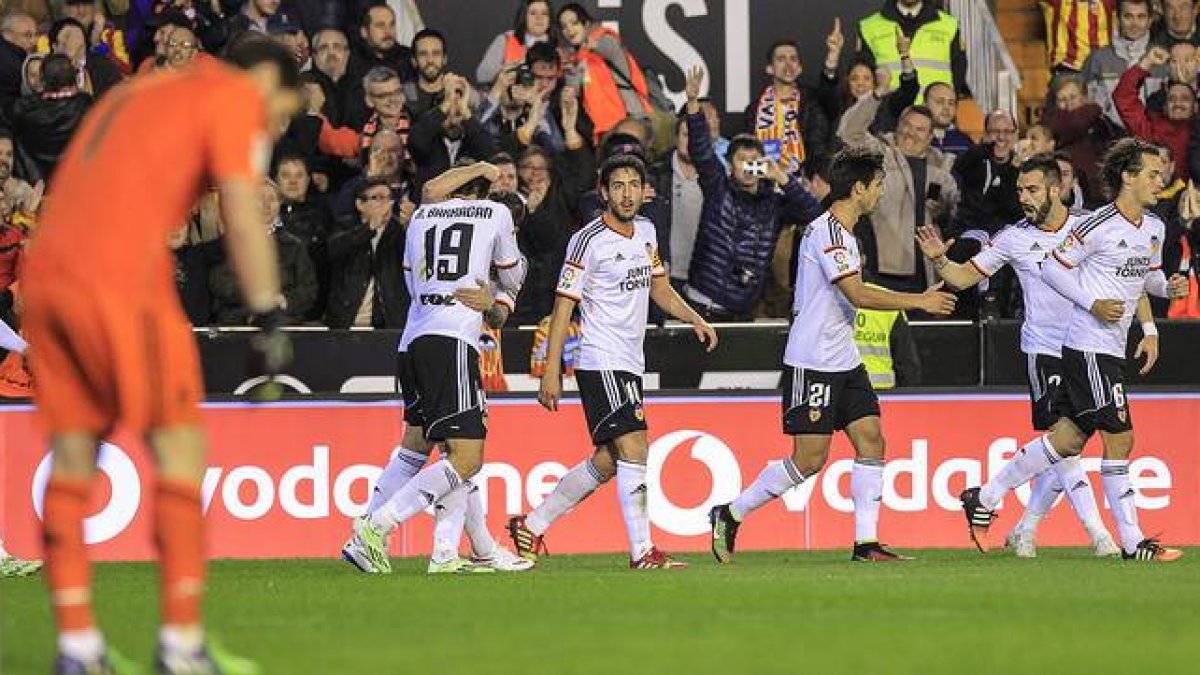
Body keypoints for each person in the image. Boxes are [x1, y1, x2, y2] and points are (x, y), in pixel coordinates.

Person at [21, 36, 301, 673]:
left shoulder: (139, 91)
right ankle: (180, 645)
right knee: (179, 451)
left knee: (71, 460)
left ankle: (78, 646)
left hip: (48, 275)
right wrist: (268, 314)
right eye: (281, 110)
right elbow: (240, 203)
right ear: (262, 77)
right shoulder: (228, 93)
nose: (276, 127)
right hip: (120, 275)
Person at [708, 146, 955, 564]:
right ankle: (731, 513)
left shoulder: (848, 234)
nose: (880, 193)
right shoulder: (827, 232)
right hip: (813, 361)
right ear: (858, 189)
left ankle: (866, 543)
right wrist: (920, 302)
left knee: (872, 439)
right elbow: (856, 294)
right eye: (877, 185)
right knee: (809, 460)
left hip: (845, 359)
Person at [958, 138, 1189, 563]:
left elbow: (1148, 279)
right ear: (1128, 176)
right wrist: (1092, 304)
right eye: (1153, 174)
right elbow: (1050, 267)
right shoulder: (1096, 225)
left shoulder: (1154, 227)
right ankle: (1132, 543)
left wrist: (1169, 288)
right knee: (1121, 439)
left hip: (1112, 346)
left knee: (1066, 440)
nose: (1161, 180)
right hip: (1088, 345)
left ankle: (986, 495)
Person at [505, 154, 717, 569]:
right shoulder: (587, 240)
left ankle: (532, 524)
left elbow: (660, 290)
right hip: (600, 358)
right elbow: (564, 305)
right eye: (617, 185)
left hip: (629, 362)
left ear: (643, 190)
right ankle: (643, 552)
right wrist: (552, 371)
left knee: (610, 458)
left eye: (633, 185)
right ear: (603, 192)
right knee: (636, 445)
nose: (626, 193)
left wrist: (695, 318)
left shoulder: (647, 233)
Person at [916, 154, 1123, 556]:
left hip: (1087, 349)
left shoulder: (1087, 228)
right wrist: (940, 257)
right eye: (1019, 191)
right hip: (1044, 351)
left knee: (1064, 445)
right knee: (1067, 444)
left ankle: (1011, 516)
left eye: (1031, 190)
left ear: (1056, 188)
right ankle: (1100, 536)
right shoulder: (1013, 237)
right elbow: (960, 277)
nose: (1023, 198)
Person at [341, 157, 527, 576]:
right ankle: (376, 526)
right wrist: (496, 296)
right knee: (465, 458)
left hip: (414, 337)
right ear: (480, 188)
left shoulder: (421, 217)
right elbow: (512, 276)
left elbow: (413, 282)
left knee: (418, 443)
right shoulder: (496, 212)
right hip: (452, 339)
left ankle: (450, 551)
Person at [683, 67, 822, 321]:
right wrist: (693, 105)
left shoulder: (776, 203)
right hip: (702, 306)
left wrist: (781, 177)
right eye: (741, 160)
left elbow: (813, 214)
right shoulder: (717, 186)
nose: (748, 167)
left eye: (754, 161)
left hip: (743, 310)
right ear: (729, 164)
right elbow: (701, 150)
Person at [838, 88, 958, 295]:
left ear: (930, 137)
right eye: (907, 125)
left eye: (920, 129)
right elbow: (849, 131)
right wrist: (874, 96)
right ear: (897, 126)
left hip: (926, 272)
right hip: (882, 270)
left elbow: (949, 209)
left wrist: (942, 209)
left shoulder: (940, 168)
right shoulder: (879, 153)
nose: (911, 133)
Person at [747, 25, 840, 177]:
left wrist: (832, 58)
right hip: (767, 188)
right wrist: (772, 173)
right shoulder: (754, 109)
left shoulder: (815, 100)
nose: (788, 65)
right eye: (781, 59)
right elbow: (748, 159)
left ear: (799, 68)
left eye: (793, 59)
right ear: (770, 68)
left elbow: (832, 102)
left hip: (807, 185)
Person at [557, 2, 652, 141]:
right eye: (564, 26)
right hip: (603, 129)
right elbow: (574, 90)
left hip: (632, 120)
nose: (569, 29)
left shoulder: (606, 39)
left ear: (587, 24)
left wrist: (593, 44)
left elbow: (609, 49)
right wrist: (568, 85)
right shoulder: (577, 59)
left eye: (574, 23)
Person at [856, 0, 968, 98]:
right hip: (888, 114)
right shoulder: (869, 27)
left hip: (934, 115)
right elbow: (863, 77)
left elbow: (959, 71)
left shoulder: (949, 25)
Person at [1114, 46, 1194, 181]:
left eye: (1185, 99)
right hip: (1158, 197)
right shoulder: (1151, 129)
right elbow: (1124, 97)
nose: (1178, 104)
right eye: (1172, 99)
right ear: (1164, 105)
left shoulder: (1196, 126)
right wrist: (1146, 63)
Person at [1082, 0, 1162, 129]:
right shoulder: (1097, 59)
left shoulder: (1162, 57)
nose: (1134, 24)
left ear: (1150, 20)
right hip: (1108, 139)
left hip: (1152, 140)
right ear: (1117, 19)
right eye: (1128, 16)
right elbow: (1085, 106)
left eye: (1141, 17)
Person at [476, 0, 554, 87]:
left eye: (544, 13)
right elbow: (481, 74)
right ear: (524, 16)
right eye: (533, 13)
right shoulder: (506, 40)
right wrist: (511, 69)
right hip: (507, 97)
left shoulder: (557, 47)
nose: (539, 18)